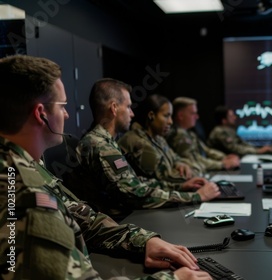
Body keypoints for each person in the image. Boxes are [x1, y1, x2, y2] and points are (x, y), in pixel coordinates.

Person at [0, 55, 211, 279]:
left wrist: (143, 241)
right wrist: (174, 279)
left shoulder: (28, 166)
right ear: (41, 114)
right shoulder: (24, 196)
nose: (67, 114)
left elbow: (81, 216)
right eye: (62, 106)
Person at [74, 79, 220, 218]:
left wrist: (181, 186)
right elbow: (135, 194)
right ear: (114, 108)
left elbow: (135, 182)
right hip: (118, 222)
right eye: (128, 107)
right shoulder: (100, 145)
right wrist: (196, 196)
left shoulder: (105, 141)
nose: (132, 113)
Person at [118, 94, 205, 182]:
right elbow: (166, 176)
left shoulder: (159, 138)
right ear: (151, 115)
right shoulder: (138, 141)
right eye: (166, 116)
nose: (170, 122)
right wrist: (194, 171)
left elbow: (175, 157)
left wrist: (180, 164)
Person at [167, 97, 240, 173]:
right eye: (193, 113)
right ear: (181, 116)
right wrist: (222, 164)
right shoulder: (179, 135)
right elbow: (193, 161)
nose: (197, 117)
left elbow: (206, 150)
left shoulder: (190, 133)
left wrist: (224, 157)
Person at [207, 105, 272, 156]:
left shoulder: (230, 130)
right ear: (224, 120)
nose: (235, 117)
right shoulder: (219, 132)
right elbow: (234, 149)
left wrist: (258, 149)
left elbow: (242, 143)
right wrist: (257, 151)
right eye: (231, 116)